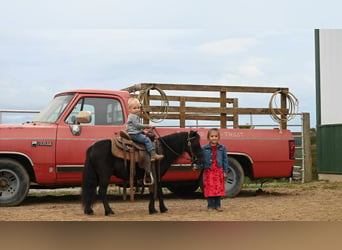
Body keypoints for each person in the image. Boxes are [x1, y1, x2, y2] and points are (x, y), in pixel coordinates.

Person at [193, 128, 228, 211]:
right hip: (209, 171)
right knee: (209, 188)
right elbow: (201, 160)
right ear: (208, 138)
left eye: (216, 136)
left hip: (219, 171)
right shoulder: (204, 148)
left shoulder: (222, 148)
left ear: (218, 137)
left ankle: (218, 205)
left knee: (218, 188)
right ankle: (210, 205)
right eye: (212, 136)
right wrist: (197, 166)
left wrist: (225, 171)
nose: (214, 138)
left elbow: (225, 160)